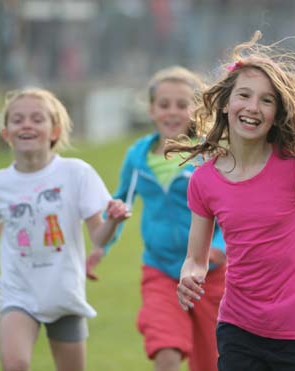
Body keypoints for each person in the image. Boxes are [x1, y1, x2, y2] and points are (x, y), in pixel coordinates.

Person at [167, 31, 295, 371]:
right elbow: (195, 258)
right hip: (238, 329)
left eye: (266, 100)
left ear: (277, 112)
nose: (252, 108)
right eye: (244, 95)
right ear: (226, 103)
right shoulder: (204, 180)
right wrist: (190, 275)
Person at [86, 66, 226, 371]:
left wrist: (218, 247)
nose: (172, 112)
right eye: (164, 105)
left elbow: (231, 211)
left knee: (212, 362)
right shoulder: (138, 158)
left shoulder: (210, 156)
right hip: (160, 271)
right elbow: (119, 207)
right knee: (166, 348)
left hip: (209, 275)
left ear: (197, 110)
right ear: (151, 110)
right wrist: (101, 249)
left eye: (182, 104)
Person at [0, 88, 130, 371]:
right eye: (17, 119)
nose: (26, 124)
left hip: (64, 294)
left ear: (54, 131)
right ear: (6, 133)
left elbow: (99, 237)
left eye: (37, 118)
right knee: (14, 364)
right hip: (19, 295)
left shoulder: (77, 173)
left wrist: (113, 220)